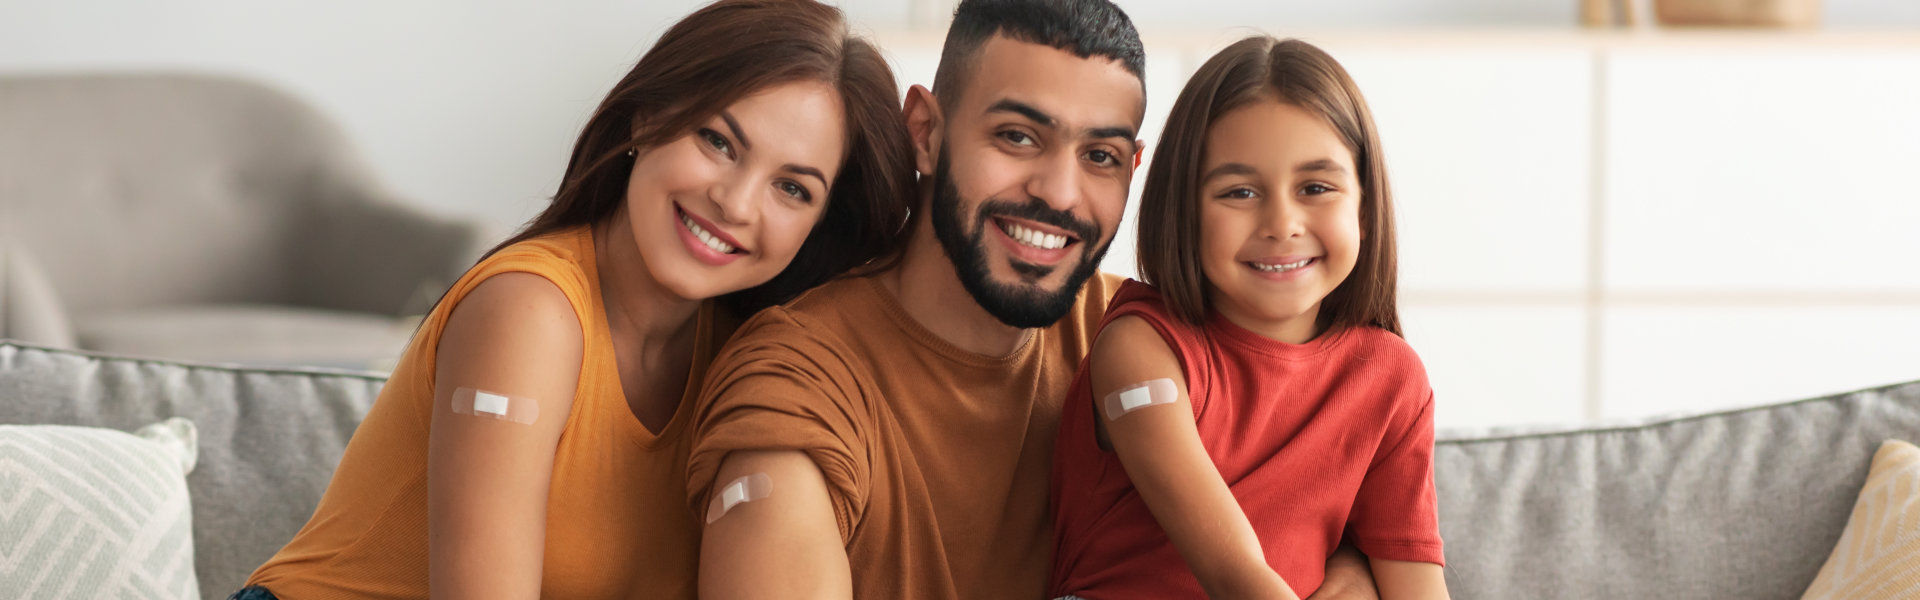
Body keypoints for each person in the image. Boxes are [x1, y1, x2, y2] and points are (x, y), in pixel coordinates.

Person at [682, 3, 1383, 598]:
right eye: (1017, 137)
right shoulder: (794, 391)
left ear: (1133, 169)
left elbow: (1330, 494)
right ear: (925, 131)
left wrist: (1354, 565)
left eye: (1099, 156)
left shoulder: (1138, 339)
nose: (1059, 192)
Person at [233, 1, 914, 598]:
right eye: (718, 141)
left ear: (820, 227)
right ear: (648, 119)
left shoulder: (748, 363)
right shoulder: (528, 315)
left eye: (792, 189)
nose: (735, 203)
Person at [1047, 36, 1449, 600]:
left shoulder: (1391, 382)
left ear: (1364, 208)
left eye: (1316, 187)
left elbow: (1415, 588)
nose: (1282, 222)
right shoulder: (1140, 353)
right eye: (1239, 191)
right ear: (1183, 212)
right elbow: (1235, 575)